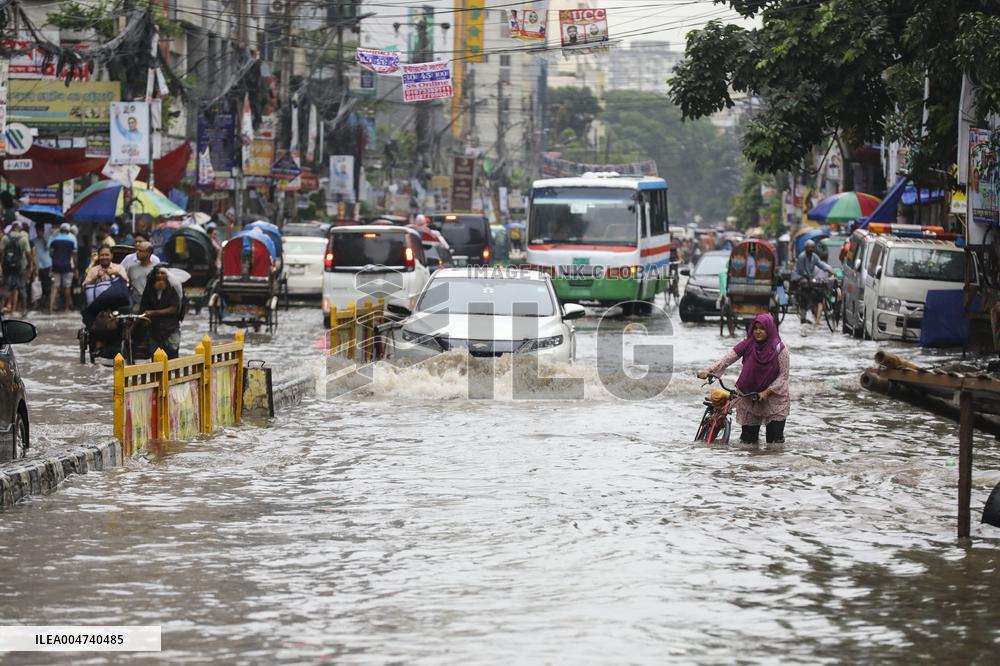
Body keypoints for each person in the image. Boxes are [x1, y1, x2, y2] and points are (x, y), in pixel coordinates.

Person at [698, 313, 790, 446]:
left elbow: (783, 376)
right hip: (749, 396)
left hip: (774, 399)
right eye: (755, 328)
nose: (758, 331)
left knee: (774, 442)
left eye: (762, 328)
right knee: (748, 442)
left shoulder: (780, 349)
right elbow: (727, 359)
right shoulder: (747, 344)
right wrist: (709, 371)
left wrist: (767, 392)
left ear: (770, 329)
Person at [82, 245, 129, 328]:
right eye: (102, 255)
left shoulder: (119, 268)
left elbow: (127, 283)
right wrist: (96, 277)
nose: (104, 257)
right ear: (98, 256)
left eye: (107, 255)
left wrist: (116, 274)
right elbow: (85, 287)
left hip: (117, 302)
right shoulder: (93, 270)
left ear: (111, 256)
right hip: (98, 303)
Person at [139, 265, 181, 359]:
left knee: (172, 356)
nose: (160, 275)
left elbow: (173, 308)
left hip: (171, 328)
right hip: (154, 329)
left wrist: (153, 313)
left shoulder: (173, 288)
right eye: (158, 273)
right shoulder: (150, 289)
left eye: (163, 273)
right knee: (155, 357)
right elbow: (143, 305)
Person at [792, 239, 834, 324]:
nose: (810, 250)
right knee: (804, 289)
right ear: (806, 248)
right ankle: (803, 313)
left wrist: (829, 269)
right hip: (800, 277)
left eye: (812, 248)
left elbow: (820, 264)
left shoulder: (814, 257)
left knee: (816, 289)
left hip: (810, 278)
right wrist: (808, 277)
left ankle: (813, 305)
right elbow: (801, 270)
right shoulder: (802, 256)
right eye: (809, 248)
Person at [0, 221, 31, 315]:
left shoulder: (5, 238)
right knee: (22, 288)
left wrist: (2, 264)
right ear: (20, 228)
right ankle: (24, 310)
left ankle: (1, 309)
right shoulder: (23, 239)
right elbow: (28, 253)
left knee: (6, 287)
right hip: (20, 266)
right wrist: (29, 265)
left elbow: (1, 252)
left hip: (7, 267)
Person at [48, 223, 77, 313]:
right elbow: (74, 256)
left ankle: (50, 308)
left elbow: (51, 254)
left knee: (54, 287)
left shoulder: (54, 240)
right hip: (67, 266)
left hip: (55, 266)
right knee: (67, 287)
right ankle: (66, 308)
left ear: (60, 230)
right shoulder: (72, 241)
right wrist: (75, 268)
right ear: (68, 231)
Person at [31, 223, 51, 309]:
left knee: (47, 285)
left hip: (47, 265)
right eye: (37, 230)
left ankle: (47, 302)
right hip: (38, 266)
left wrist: (43, 238)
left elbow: (47, 247)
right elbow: (33, 254)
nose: (38, 232)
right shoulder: (33, 241)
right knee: (38, 285)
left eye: (40, 230)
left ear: (43, 230)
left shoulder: (48, 239)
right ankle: (38, 302)